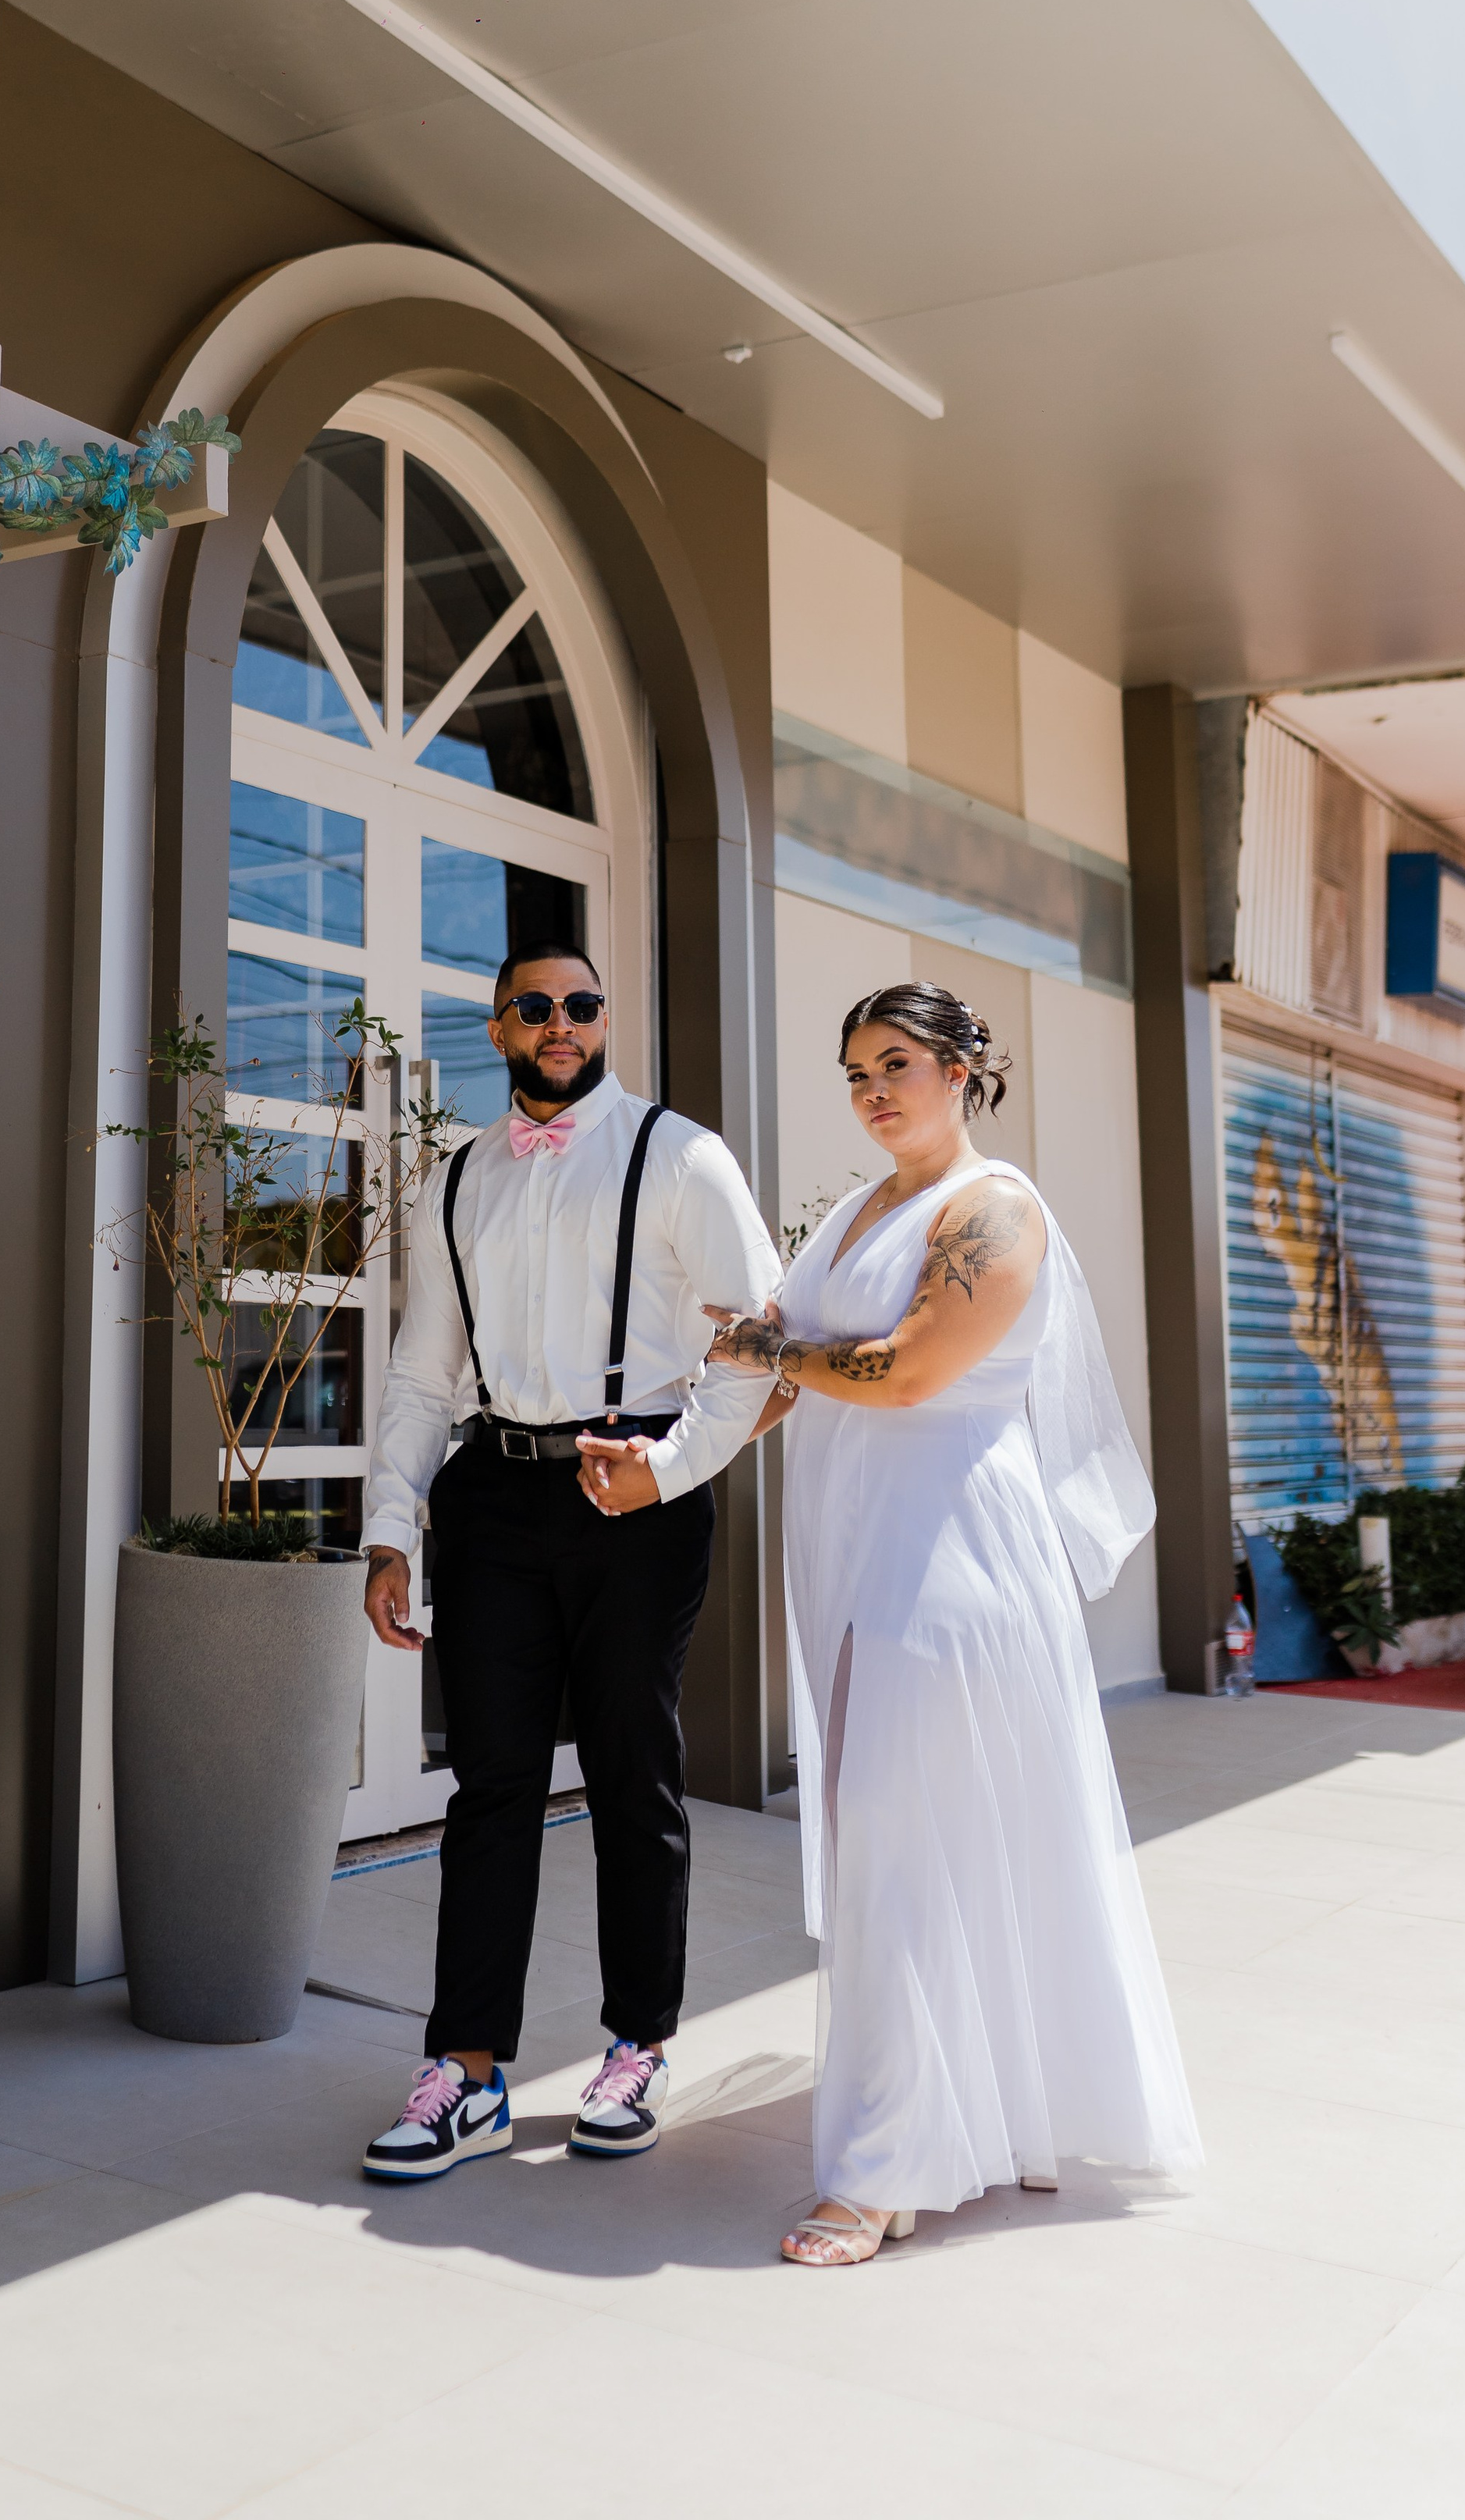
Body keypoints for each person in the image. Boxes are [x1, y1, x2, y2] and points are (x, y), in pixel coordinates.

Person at [708, 981, 1202, 2264]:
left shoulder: (995, 1209)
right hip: (860, 1551)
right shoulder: (859, 1212)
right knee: (928, 1835)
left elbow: (910, 1367)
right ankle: (1005, 2114)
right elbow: (797, 1370)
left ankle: (888, 2167)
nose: (874, 1090)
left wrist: (770, 1348)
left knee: (898, 1845)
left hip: (949, 1560)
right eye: (855, 1069)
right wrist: (662, 1458)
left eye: (899, 1064)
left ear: (966, 1067)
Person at [357, 946, 781, 2182]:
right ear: (498, 1027)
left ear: (604, 1019)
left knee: (630, 1770)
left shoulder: (679, 1153)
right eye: (536, 1006)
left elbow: (757, 1339)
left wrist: (673, 1462)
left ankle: (636, 2044)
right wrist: (393, 1524)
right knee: (488, 1787)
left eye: (583, 1004)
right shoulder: (454, 1182)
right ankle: (467, 2073)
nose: (562, 1022)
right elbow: (423, 1371)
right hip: (493, 1491)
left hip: (636, 1488)